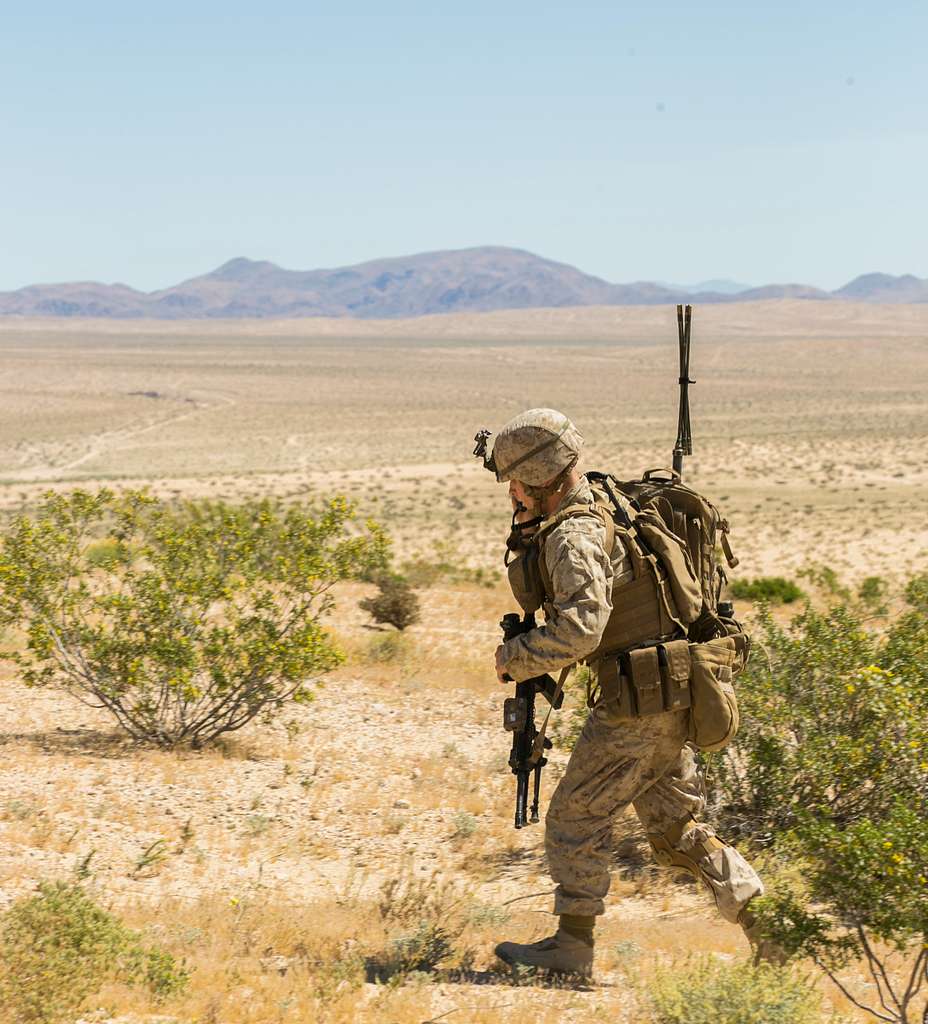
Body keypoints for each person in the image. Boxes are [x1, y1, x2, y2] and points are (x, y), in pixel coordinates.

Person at [483, 407, 770, 978]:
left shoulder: (575, 533)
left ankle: (572, 946)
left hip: (637, 705)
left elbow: (582, 626)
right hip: (672, 692)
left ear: (537, 479)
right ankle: (770, 924)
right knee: (679, 829)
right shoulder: (605, 499)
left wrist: (514, 658)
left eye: (514, 482)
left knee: (574, 818)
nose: (510, 492)